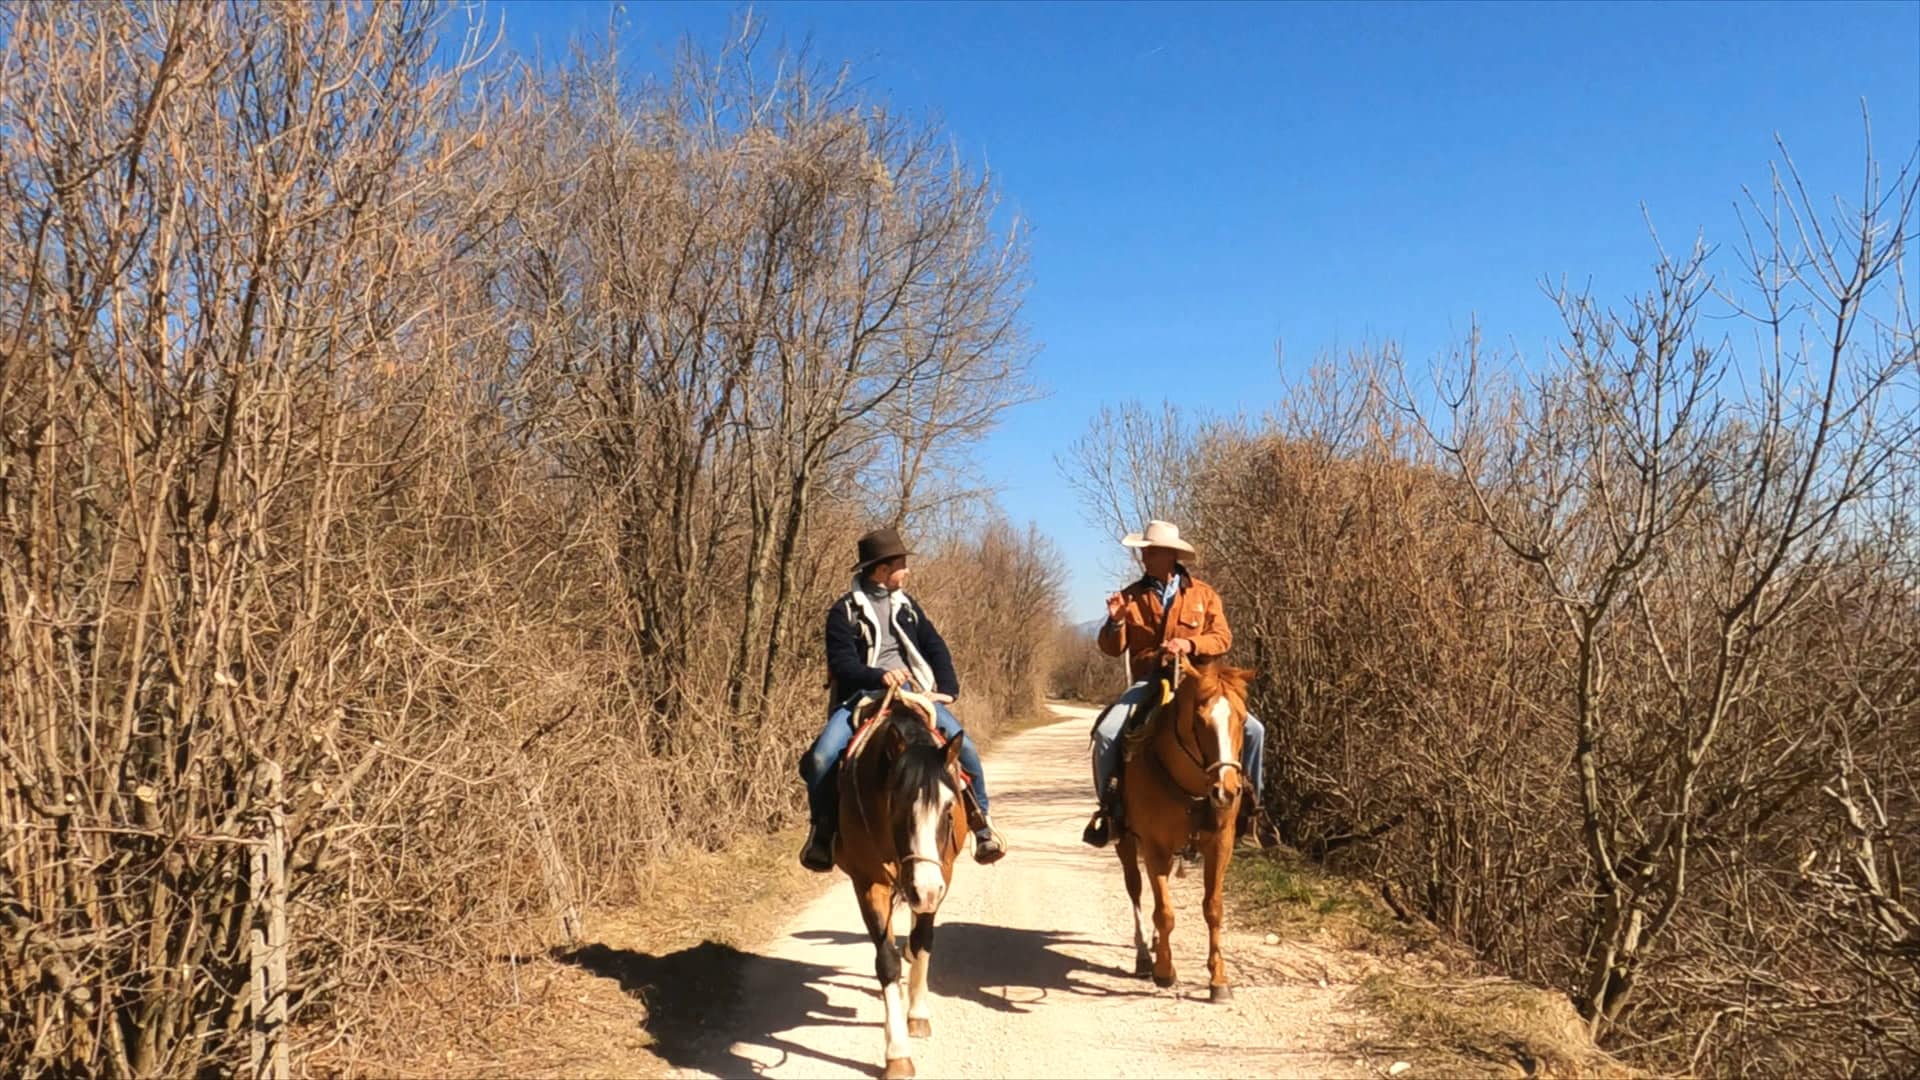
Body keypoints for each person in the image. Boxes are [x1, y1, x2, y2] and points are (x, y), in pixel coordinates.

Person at [798, 526, 1007, 872]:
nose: (907, 570)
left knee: (966, 748)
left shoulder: (908, 607)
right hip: (863, 696)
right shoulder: (844, 612)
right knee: (820, 759)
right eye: (901, 564)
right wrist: (878, 675)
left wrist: (949, 689)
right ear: (882, 570)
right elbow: (842, 664)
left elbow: (935, 646)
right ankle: (822, 833)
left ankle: (982, 825)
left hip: (913, 695)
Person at [1082, 519, 1267, 848]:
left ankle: (1250, 811)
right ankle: (1110, 812)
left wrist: (1190, 645)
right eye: (1144, 552)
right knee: (1107, 733)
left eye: (1150, 552)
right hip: (1152, 679)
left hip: (1200, 682)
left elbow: (1222, 637)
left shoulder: (1203, 595)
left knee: (1254, 730)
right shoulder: (1130, 597)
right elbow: (1111, 648)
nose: (1144, 558)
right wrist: (1115, 622)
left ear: (1169, 555)